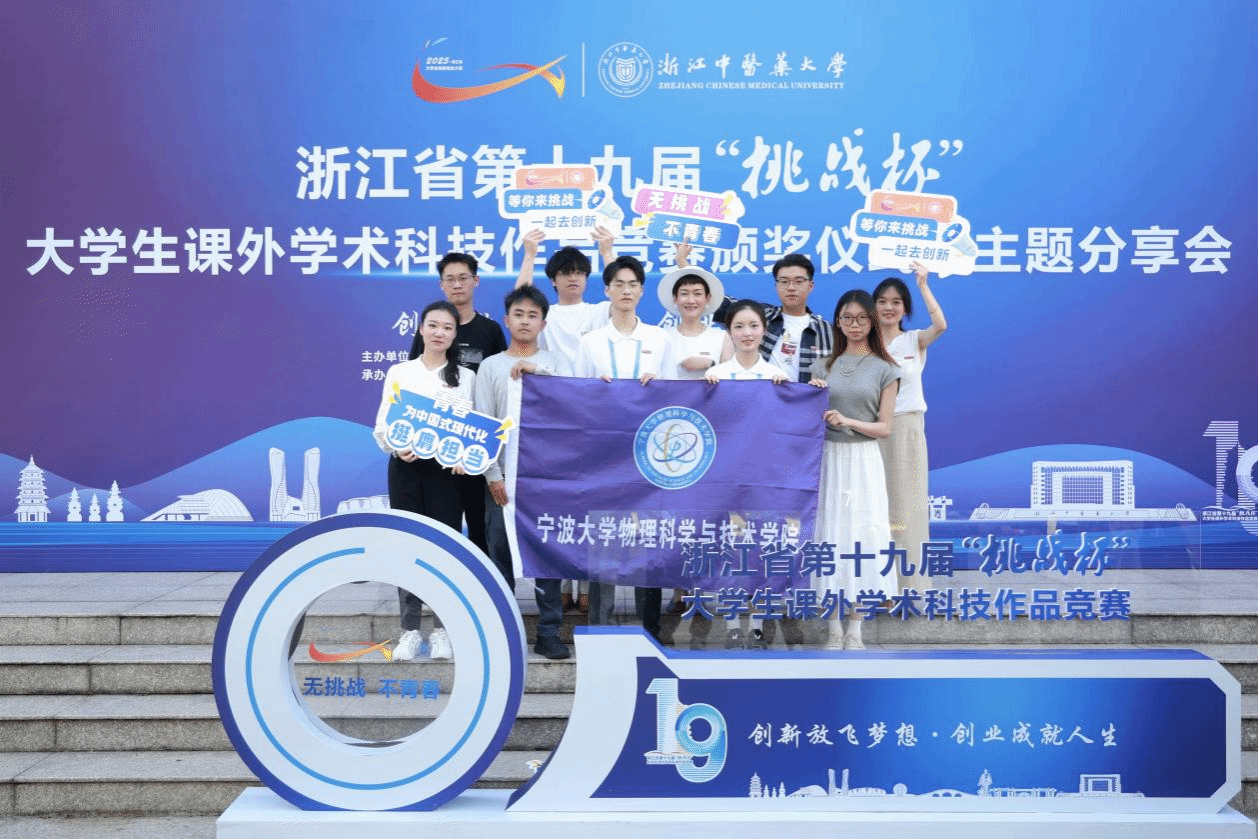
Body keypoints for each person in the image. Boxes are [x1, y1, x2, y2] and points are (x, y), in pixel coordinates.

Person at [574, 255, 675, 641]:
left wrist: (658, 387)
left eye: (633, 284)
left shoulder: (659, 339)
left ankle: (650, 629)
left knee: (647, 538)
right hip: (605, 455)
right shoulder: (591, 342)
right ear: (607, 290)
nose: (626, 291)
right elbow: (578, 399)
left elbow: (674, 398)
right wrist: (596, 392)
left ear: (642, 291)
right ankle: (600, 628)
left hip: (650, 457)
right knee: (605, 539)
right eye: (619, 284)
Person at [515, 228, 616, 612]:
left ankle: (586, 583)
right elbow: (520, 300)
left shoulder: (598, 311)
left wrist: (607, 251)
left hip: (595, 415)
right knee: (559, 504)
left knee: (591, 500)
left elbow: (619, 290)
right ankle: (560, 581)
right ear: (553, 279)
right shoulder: (546, 315)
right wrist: (529, 254)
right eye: (565, 272)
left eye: (579, 272)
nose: (573, 278)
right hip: (554, 416)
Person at [474, 287, 573, 660]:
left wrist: (538, 372)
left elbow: (571, 406)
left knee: (546, 555)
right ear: (506, 320)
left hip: (546, 479)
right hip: (503, 479)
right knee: (500, 554)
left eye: (533, 315)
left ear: (543, 324)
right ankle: (503, 631)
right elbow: (483, 425)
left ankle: (549, 632)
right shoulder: (491, 366)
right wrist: (493, 476)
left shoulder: (557, 363)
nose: (525, 321)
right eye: (519, 314)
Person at [376, 301, 476, 661]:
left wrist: (463, 455)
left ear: (454, 334)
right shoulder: (400, 372)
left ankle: (442, 631)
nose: (439, 333)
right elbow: (383, 424)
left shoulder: (466, 377)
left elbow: (470, 430)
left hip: (445, 475)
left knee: (444, 549)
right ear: (421, 329)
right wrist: (396, 445)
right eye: (433, 325)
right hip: (406, 469)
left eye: (447, 327)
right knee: (407, 547)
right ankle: (409, 631)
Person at [808, 290, 902, 651]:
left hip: (863, 460)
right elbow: (805, 418)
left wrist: (847, 420)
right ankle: (833, 628)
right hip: (827, 459)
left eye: (862, 318)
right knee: (829, 535)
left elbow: (885, 427)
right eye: (847, 318)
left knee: (864, 536)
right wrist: (811, 397)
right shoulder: (821, 367)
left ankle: (856, 629)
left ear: (873, 322)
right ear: (837, 322)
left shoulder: (886, 368)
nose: (855, 325)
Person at [700, 300, 789, 648]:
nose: (747, 333)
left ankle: (758, 623)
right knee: (730, 551)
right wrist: (706, 391)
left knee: (763, 549)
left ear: (764, 331)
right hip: (726, 477)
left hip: (765, 477)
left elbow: (791, 426)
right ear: (729, 332)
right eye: (739, 327)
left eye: (753, 326)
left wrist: (792, 390)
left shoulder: (776, 375)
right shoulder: (717, 375)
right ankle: (732, 623)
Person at [407, 253, 507, 558]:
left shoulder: (490, 331)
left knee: (480, 523)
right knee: (440, 527)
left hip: (475, 444)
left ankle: (482, 583)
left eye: (463, 278)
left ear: (476, 281)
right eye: (450, 279)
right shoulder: (431, 330)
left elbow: (499, 379)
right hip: (437, 444)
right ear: (441, 285)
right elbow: (415, 381)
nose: (457, 284)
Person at [873, 261, 948, 594]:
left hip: (906, 430)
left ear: (905, 308)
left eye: (896, 302)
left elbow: (941, 325)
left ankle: (911, 587)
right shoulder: (863, 345)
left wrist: (923, 285)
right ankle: (877, 587)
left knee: (907, 509)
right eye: (882, 301)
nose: (889, 308)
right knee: (875, 510)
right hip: (872, 431)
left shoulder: (914, 341)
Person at [677, 244, 833, 384]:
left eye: (798, 281)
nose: (791, 287)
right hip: (759, 402)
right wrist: (683, 263)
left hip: (804, 404)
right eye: (784, 281)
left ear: (810, 285)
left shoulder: (827, 331)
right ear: (776, 285)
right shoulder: (762, 316)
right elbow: (718, 301)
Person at [657, 265, 733, 379]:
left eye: (697, 294)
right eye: (684, 294)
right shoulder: (661, 336)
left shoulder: (722, 337)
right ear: (675, 298)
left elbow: (731, 379)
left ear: (707, 298)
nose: (691, 300)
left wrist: (711, 365)